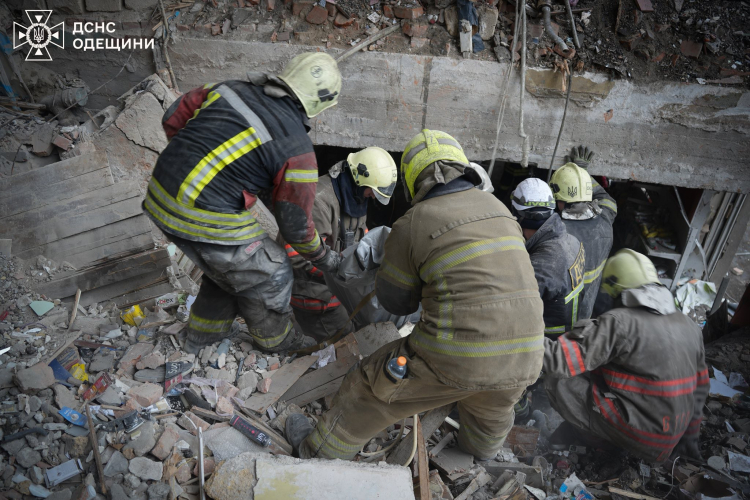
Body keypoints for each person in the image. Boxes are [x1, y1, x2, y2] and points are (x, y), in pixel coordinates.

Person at [286, 129, 545, 461]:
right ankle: (480, 452)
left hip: (459, 354)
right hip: (527, 354)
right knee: (492, 407)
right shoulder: (499, 209)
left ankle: (316, 451)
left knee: (368, 387)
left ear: (412, 180)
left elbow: (397, 302)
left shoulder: (414, 221)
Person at [142, 52, 343, 355]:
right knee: (274, 270)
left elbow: (173, 116)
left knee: (232, 270)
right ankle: (279, 345)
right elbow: (296, 227)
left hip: (159, 190)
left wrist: (192, 161)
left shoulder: (228, 89)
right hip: (199, 212)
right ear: (320, 105)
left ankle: (203, 337)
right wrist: (326, 258)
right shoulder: (297, 150)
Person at [543, 249, 708, 462]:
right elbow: (701, 388)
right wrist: (689, 440)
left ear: (617, 292)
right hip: (671, 438)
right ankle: (613, 435)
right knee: (598, 371)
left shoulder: (620, 322)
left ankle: (598, 442)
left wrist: (523, 337)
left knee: (558, 379)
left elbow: (558, 360)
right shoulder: (690, 326)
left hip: (642, 437)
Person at [279, 147, 397, 341]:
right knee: (349, 341)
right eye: (373, 191)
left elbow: (361, 240)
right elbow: (297, 257)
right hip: (314, 294)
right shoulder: (318, 201)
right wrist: (345, 273)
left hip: (341, 290)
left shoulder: (355, 197)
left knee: (368, 326)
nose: (373, 197)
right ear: (359, 179)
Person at [509, 178, 585, 421]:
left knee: (511, 388)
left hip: (543, 344)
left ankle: (520, 420)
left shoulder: (544, 263)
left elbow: (512, 309)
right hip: (563, 337)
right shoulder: (570, 240)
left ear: (521, 218)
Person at [511, 178, 585, 337]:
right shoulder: (572, 241)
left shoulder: (542, 266)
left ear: (518, 216)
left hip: (546, 340)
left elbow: (511, 308)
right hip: (568, 332)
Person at [549, 147, 617, 320]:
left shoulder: (557, 234)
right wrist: (581, 173)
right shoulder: (605, 221)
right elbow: (606, 199)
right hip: (584, 314)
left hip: (558, 315)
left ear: (560, 200)